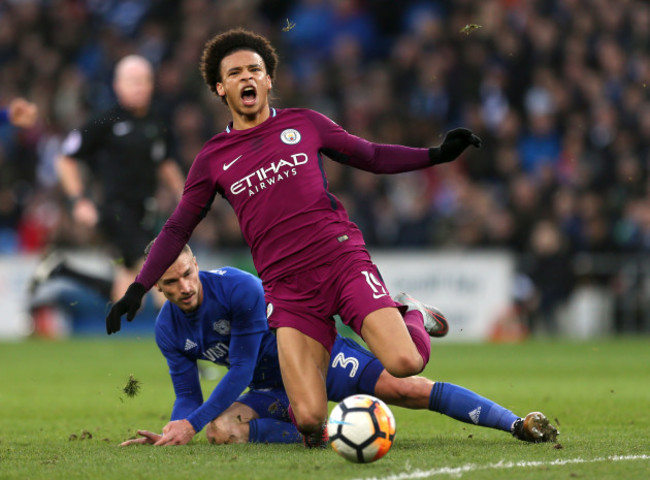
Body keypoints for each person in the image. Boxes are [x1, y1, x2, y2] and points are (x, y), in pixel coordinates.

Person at [106, 28, 482, 446]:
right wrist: (139, 287)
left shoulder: (304, 123)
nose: (246, 77)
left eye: (255, 69)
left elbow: (371, 155)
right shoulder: (212, 159)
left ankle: (414, 315)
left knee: (405, 362)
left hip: (338, 259)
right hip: (286, 287)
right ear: (220, 87)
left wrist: (434, 155)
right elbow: (177, 228)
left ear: (268, 80)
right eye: (235, 72)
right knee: (308, 420)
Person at [119, 243, 558, 447]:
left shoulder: (237, 288)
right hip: (274, 388)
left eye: (186, 273)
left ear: (197, 264)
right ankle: (333, 433)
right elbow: (187, 395)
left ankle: (516, 422)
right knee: (223, 430)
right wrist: (173, 431)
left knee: (408, 389)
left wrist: (189, 423)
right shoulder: (168, 330)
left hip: (316, 357)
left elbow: (238, 368)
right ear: (157, 287)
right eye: (170, 282)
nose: (183, 286)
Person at [35, 55, 185, 301]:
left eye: (143, 80)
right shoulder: (104, 120)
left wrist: (184, 195)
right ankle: (183, 338)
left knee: (126, 294)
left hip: (146, 210)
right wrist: (79, 200)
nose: (138, 86)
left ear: (151, 84)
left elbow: (165, 162)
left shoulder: (158, 122)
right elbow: (65, 159)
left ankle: (61, 269)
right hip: (116, 211)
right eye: (132, 81)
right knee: (161, 270)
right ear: (118, 86)